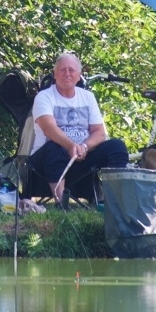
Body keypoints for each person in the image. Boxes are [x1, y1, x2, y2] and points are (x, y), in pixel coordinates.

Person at [28, 52, 128, 201]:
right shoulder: (44, 97)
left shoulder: (88, 97)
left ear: (79, 74)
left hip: (82, 158)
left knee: (116, 147)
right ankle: (61, 203)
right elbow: (49, 129)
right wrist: (70, 146)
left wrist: (85, 147)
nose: (66, 74)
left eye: (71, 70)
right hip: (47, 161)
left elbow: (99, 132)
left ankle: (114, 201)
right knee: (54, 147)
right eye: (62, 70)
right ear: (55, 74)